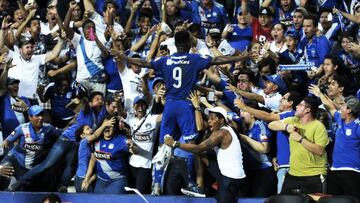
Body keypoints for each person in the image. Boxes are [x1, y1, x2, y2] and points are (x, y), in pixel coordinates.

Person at [164, 107, 245, 203]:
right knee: (200, 154)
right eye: (208, 118)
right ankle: (200, 187)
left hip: (232, 178)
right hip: (225, 175)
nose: (209, 121)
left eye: (212, 118)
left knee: (198, 150)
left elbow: (199, 148)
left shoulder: (222, 133)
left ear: (221, 120)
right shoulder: (225, 129)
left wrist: (175, 144)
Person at [268, 97, 329, 194]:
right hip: (293, 173)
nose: (296, 106)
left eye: (300, 105)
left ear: (307, 110)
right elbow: (271, 125)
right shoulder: (293, 120)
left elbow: (320, 150)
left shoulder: (318, 126)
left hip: (314, 175)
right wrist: (286, 127)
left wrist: (300, 139)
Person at [309, 85, 360, 199]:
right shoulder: (340, 120)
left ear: (349, 110)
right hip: (335, 170)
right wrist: (320, 94)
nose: (340, 108)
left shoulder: (358, 126)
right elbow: (330, 107)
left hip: (352, 171)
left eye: (343, 106)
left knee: (353, 200)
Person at [0, 105, 62, 190]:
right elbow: (5, 143)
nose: (40, 118)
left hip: (30, 169)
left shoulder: (49, 129)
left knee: (26, 190)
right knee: (3, 171)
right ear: (30, 117)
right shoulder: (21, 129)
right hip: (15, 161)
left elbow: (64, 134)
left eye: (42, 115)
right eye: (37, 115)